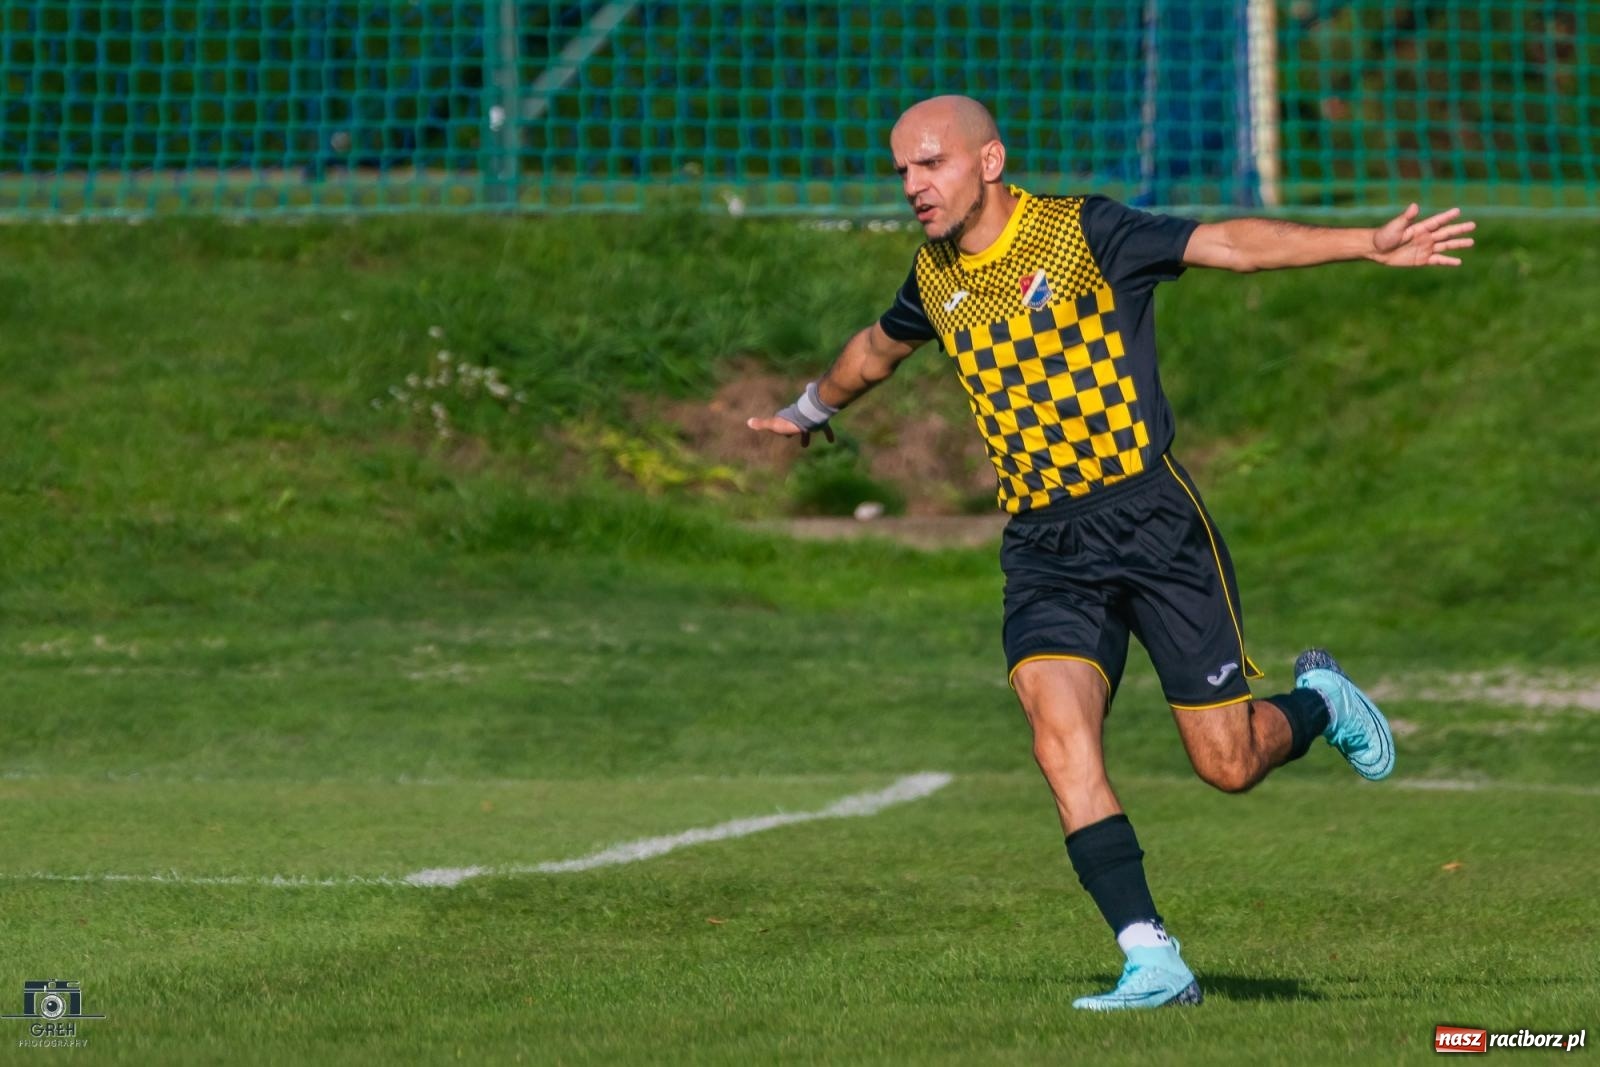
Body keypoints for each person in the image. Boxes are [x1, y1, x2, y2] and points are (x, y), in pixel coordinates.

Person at [747, 95, 1476, 1011]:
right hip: (1044, 547)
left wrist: (1365, 243)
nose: (913, 186)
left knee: (1229, 763)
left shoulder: (1085, 231)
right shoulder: (935, 276)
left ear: (989, 161)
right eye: (902, 170)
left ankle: (1320, 702)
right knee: (1058, 738)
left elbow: (1231, 244)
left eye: (930, 163)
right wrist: (809, 409)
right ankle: (1152, 956)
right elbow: (876, 349)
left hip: (1152, 523)